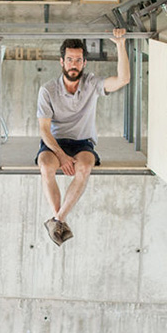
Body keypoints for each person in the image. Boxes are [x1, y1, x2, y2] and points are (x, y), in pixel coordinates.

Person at [36, 28, 129, 245]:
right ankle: (59, 220)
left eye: (78, 60)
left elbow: (123, 79)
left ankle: (57, 220)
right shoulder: (47, 90)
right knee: (46, 166)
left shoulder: (91, 83)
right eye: (70, 59)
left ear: (84, 63)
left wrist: (120, 44)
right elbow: (44, 130)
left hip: (82, 143)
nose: (74, 64)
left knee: (85, 167)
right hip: (54, 143)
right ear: (62, 62)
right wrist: (61, 156)